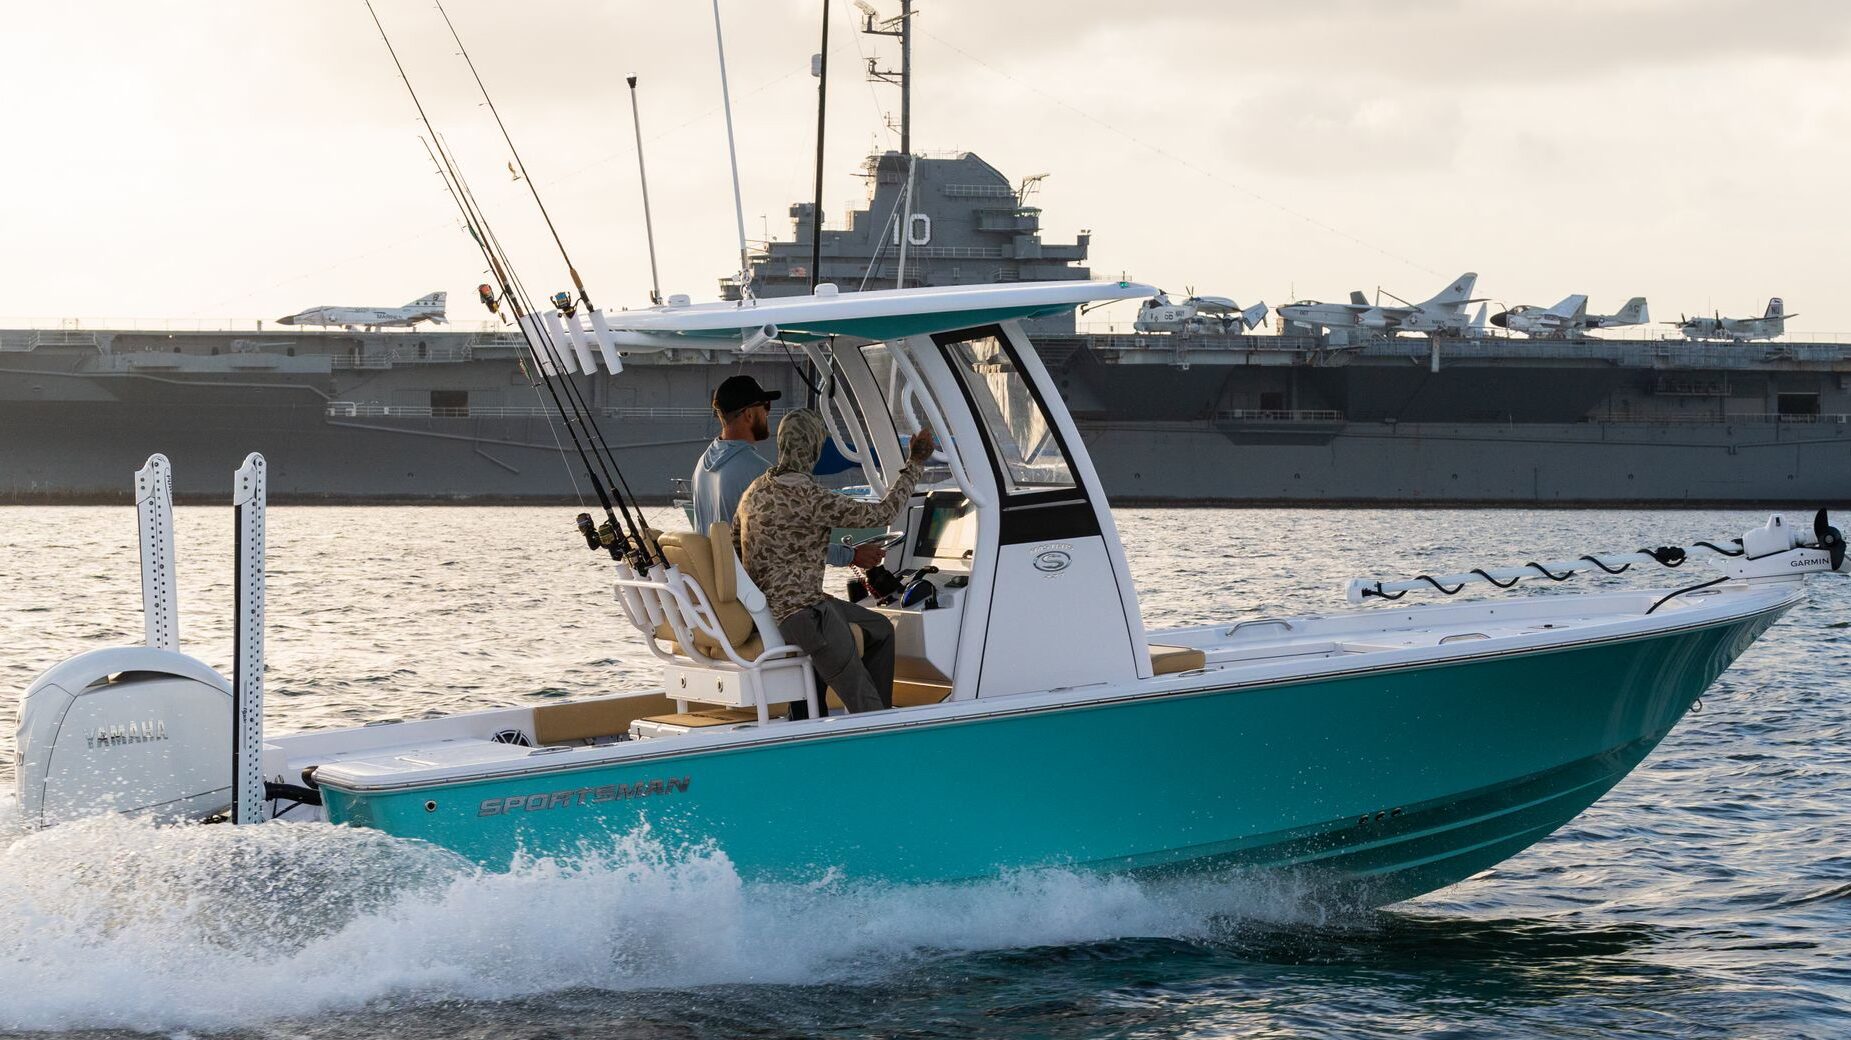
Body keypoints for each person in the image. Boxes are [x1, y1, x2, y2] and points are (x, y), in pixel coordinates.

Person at [735, 408, 935, 714]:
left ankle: (871, 713)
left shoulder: (754, 492)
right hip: (805, 617)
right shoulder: (813, 498)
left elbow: (737, 547)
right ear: (814, 447)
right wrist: (915, 464)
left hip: (769, 610)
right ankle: (874, 723)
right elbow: (883, 514)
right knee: (859, 696)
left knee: (880, 628)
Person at [690, 375, 873, 569]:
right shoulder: (758, 473)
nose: (768, 413)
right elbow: (791, 539)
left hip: (720, 590)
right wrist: (850, 555)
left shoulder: (702, 466)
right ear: (749, 415)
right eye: (765, 406)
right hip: (754, 593)